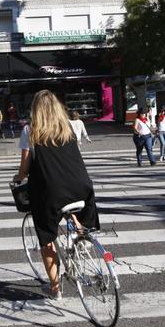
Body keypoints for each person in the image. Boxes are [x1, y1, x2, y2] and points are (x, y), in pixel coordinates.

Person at [12, 90, 100, 300]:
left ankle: (55, 287)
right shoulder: (68, 127)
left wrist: (18, 177)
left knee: (47, 238)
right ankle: (80, 229)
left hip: (50, 191)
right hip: (81, 186)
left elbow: (25, 169)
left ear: (36, 110)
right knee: (70, 204)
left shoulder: (30, 130)